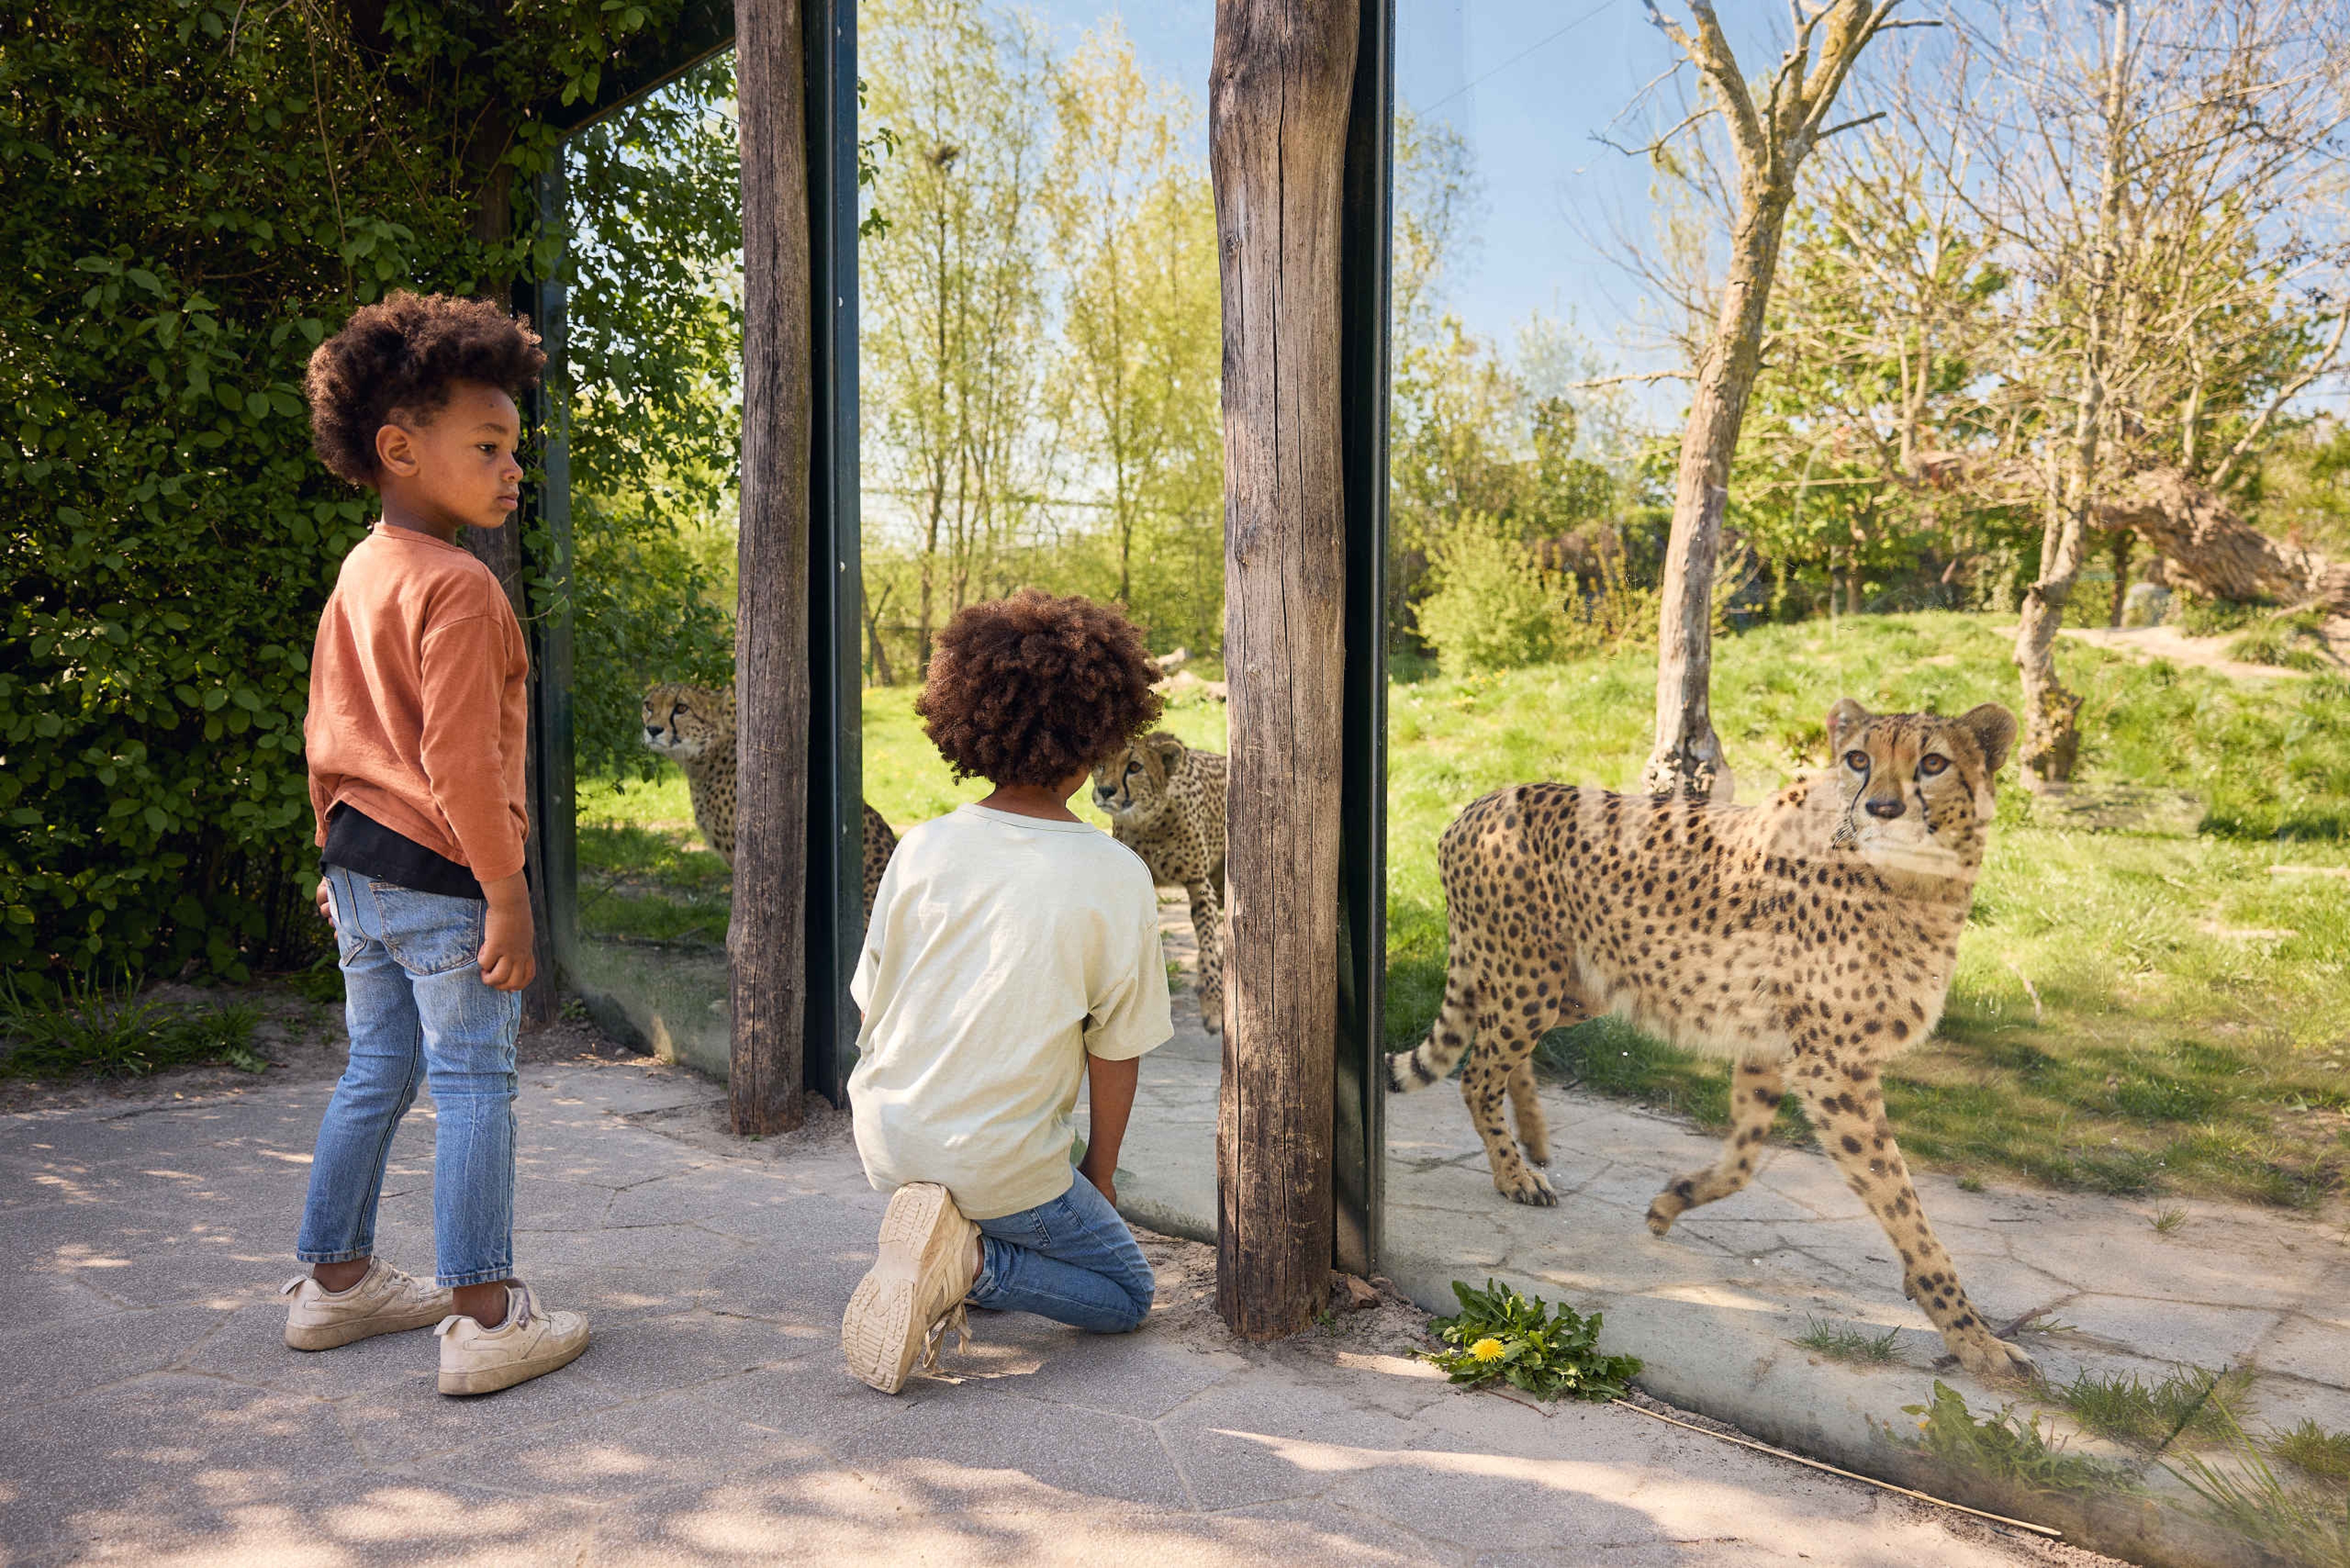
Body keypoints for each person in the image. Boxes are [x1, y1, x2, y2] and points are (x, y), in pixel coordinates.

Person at [282, 291, 588, 1396]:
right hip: (450, 876)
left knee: (375, 1068)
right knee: (472, 1083)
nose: (513, 469)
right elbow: (461, 765)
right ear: (399, 450)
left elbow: (329, 735)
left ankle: (336, 1281)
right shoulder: (461, 588)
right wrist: (507, 894)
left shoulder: (362, 572)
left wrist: (337, 862)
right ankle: (485, 1313)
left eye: (516, 448)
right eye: (490, 446)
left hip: (361, 869)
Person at [841, 589, 1174, 1394]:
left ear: (973, 721)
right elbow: (1116, 1051)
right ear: (1100, 733)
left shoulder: (921, 847)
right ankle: (971, 1261)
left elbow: (871, 1001)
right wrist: (1101, 1174)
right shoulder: (1116, 875)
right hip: (999, 1159)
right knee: (1128, 1291)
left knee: (1012, 1154)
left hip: (890, 1137)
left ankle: (947, 1229)